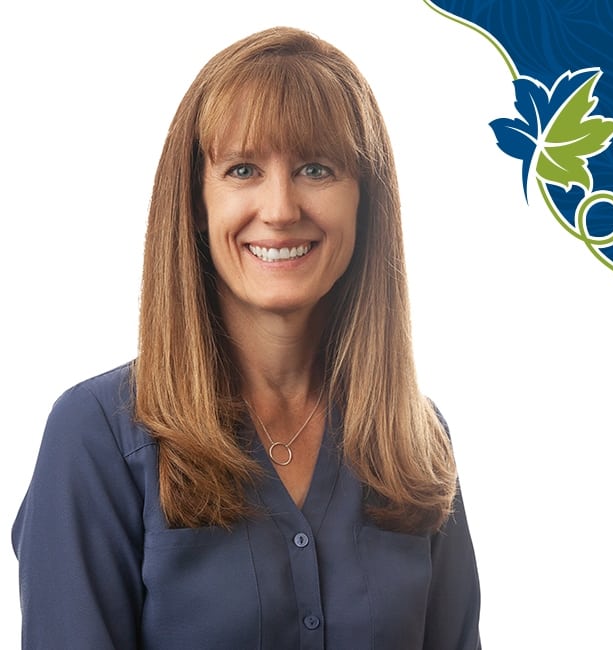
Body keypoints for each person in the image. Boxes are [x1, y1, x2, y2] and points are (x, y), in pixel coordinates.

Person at [12, 26, 481, 649]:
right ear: (195, 203)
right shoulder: (96, 436)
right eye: (243, 169)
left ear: (365, 203)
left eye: (318, 168)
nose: (282, 207)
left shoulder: (415, 440)